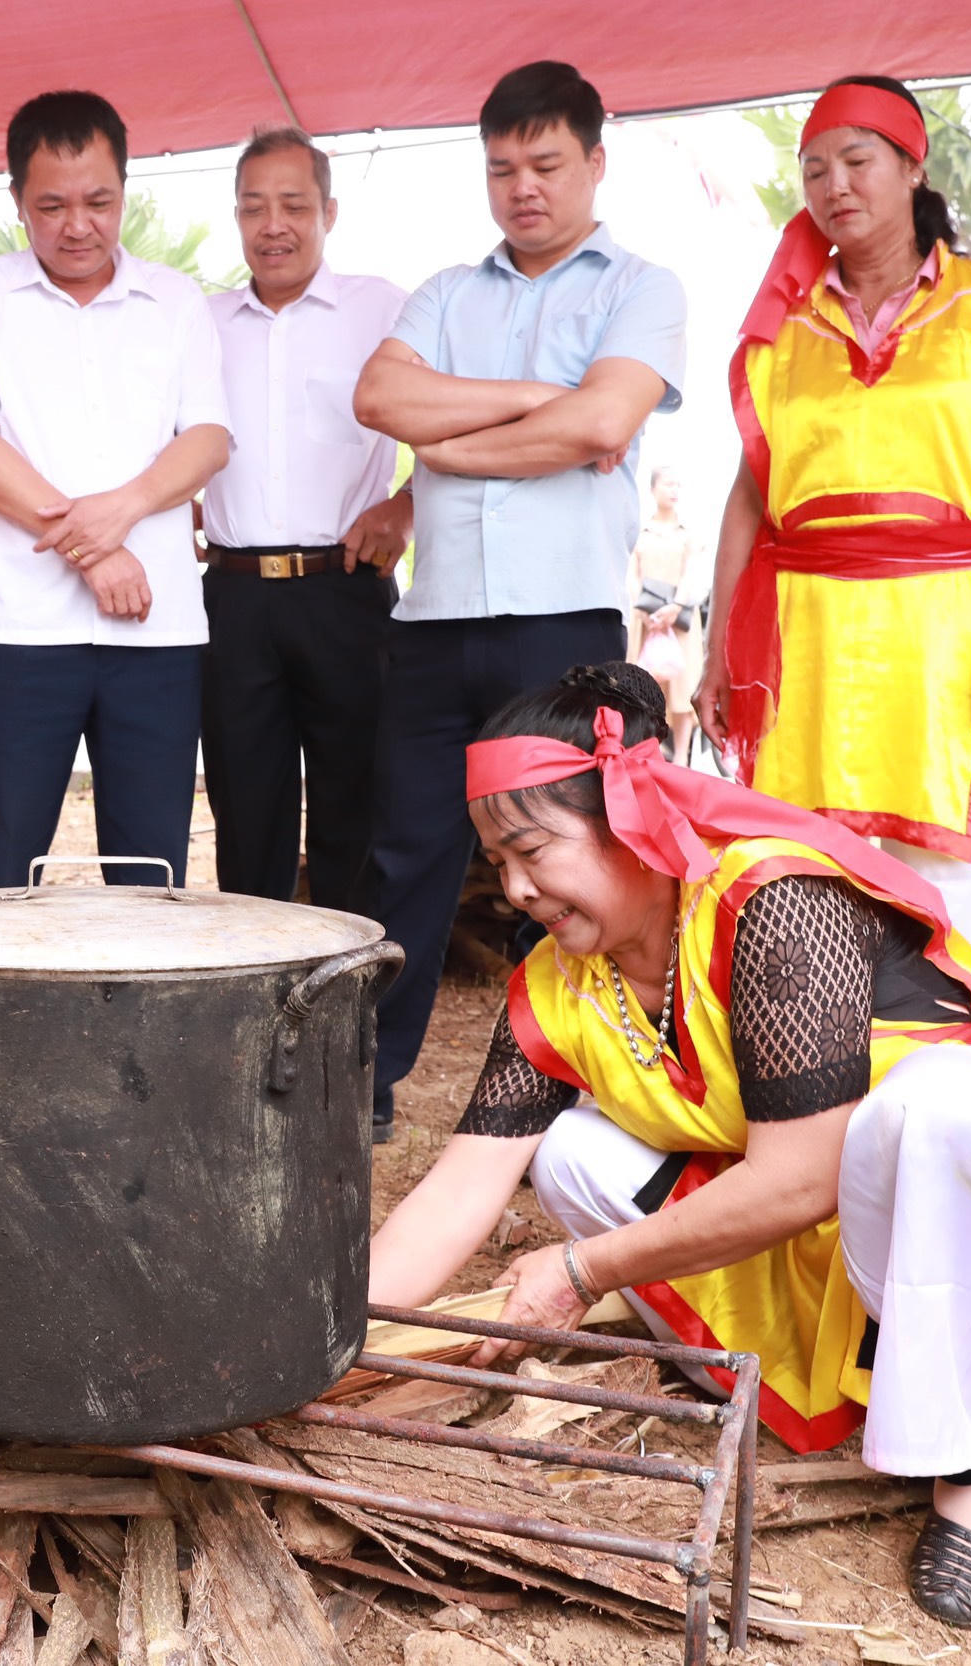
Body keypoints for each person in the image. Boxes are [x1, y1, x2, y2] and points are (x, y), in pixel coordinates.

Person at [369, 662, 971, 1629]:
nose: (516, 889)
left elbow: (803, 1176)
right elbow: (459, 1187)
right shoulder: (559, 982)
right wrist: (334, 1334)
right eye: (497, 863)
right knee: (568, 1151)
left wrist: (583, 1269)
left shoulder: (775, 901)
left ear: (631, 814)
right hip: (836, 1229)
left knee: (936, 1107)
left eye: (533, 851)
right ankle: (816, 1361)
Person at [350, 60, 685, 1140]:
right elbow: (379, 397)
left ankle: (600, 1081)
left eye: (545, 164)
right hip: (434, 621)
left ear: (596, 161)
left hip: (563, 622)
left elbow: (603, 424)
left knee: (581, 852)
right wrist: (540, 399)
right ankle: (364, 1085)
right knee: (405, 852)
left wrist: (452, 443)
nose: (523, 187)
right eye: (502, 169)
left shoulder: (640, 288)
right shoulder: (448, 292)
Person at [696, 76, 971, 962]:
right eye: (815, 170)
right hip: (801, 634)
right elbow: (750, 496)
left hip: (945, 632)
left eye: (857, 161)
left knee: (947, 884)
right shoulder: (781, 328)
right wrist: (717, 651)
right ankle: (813, 1044)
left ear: (911, 167)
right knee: (800, 871)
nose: (835, 186)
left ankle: (953, 1040)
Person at [0, 90, 231, 891]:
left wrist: (121, 513)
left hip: (158, 632)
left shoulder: (175, 300)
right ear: (17, 201)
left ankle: (141, 983)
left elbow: (208, 439)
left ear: (124, 191)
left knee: (151, 869)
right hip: (23, 629)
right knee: (5, 866)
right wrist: (95, 554)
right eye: (51, 206)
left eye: (99, 202)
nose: (78, 225)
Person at [201, 127, 408, 910]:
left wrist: (409, 505)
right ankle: (252, 976)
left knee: (356, 805)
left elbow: (451, 422)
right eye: (254, 207)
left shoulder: (383, 309)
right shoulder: (202, 322)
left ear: (329, 211)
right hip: (233, 597)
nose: (273, 226)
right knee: (245, 812)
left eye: (293, 205)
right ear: (236, 217)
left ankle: (351, 977)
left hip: (345, 588)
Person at [628, 464, 703, 761]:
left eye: (677, 485)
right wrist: (645, 612)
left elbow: (691, 572)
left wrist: (676, 606)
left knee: (683, 689)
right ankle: (651, 751)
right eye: (667, 484)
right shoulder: (641, 533)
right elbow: (632, 574)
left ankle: (682, 757)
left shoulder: (687, 534)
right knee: (646, 687)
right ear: (652, 489)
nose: (673, 491)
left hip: (679, 622)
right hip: (647, 620)